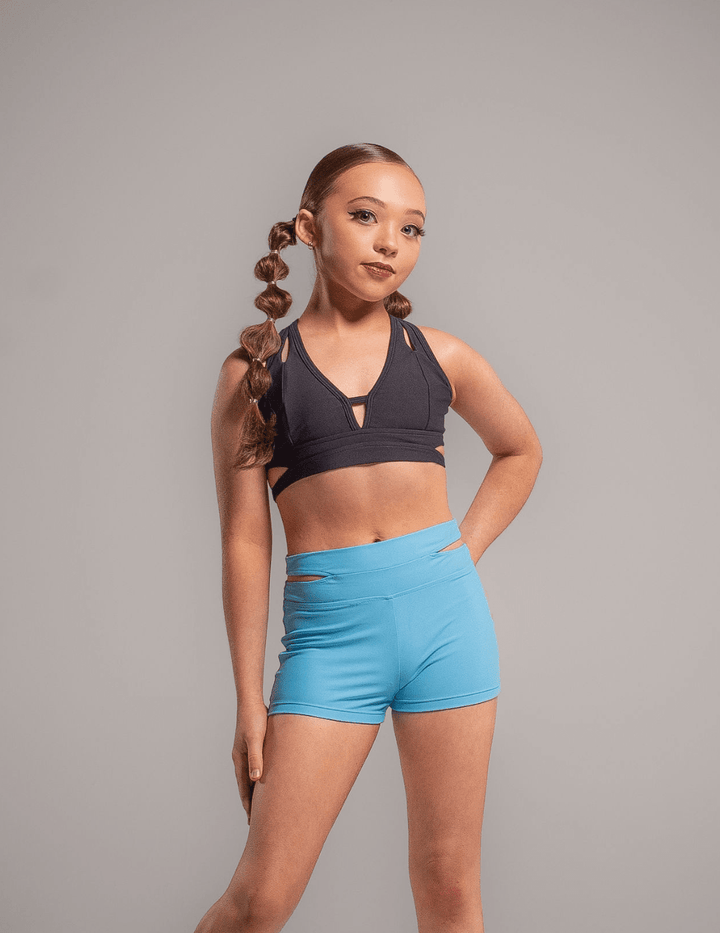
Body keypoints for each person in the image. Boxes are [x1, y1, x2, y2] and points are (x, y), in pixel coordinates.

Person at [194, 142, 543, 933]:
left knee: (449, 885)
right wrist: (249, 699)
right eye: (365, 216)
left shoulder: (441, 357)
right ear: (308, 228)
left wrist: (460, 553)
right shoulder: (255, 375)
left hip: (449, 629)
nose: (391, 242)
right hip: (331, 640)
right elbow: (245, 541)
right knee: (258, 901)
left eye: (412, 228)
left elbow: (521, 450)